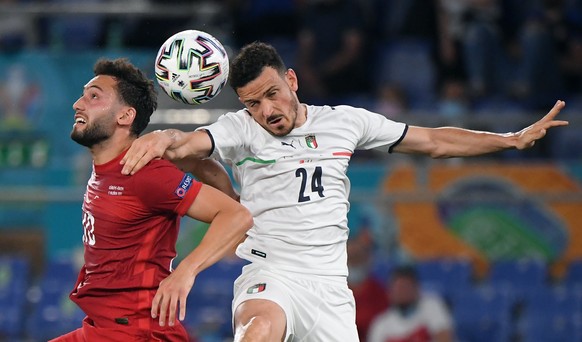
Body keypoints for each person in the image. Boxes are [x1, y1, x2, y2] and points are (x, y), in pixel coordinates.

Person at [119, 41, 568, 341]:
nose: (266, 110)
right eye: (253, 103)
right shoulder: (239, 129)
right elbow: (192, 142)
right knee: (259, 328)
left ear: (291, 80)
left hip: (332, 289)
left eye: (272, 94)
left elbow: (432, 141)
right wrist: (163, 138)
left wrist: (509, 140)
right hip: (270, 272)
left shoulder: (345, 122)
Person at [50, 58, 253, 341]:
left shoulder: (144, 172)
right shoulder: (108, 169)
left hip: (136, 331)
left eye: (94, 96)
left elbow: (237, 216)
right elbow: (198, 165)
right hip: (101, 328)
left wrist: (185, 272)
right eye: (83, 95)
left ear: (125, 116)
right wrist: (195, 166)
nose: (78, 103)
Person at [367, 265, 454, 342]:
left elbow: (445, 338)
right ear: (390, 292)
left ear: (417, 288)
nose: (403, 292)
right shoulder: (380, 325)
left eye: (406, 287)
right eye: (399, 288)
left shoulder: (432, 306)